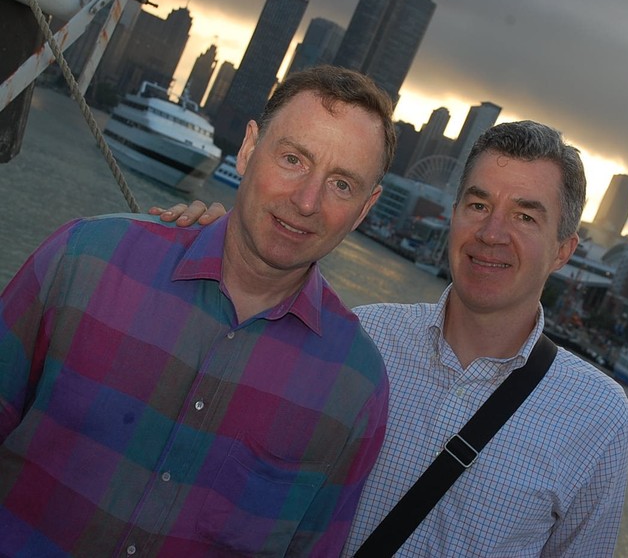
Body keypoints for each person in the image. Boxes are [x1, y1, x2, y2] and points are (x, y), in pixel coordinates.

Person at [158, 120, 628, 556]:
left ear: (563, 251)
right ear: (454, 214)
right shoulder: (362, 338)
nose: (492, 233)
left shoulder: (599, 417)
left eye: (525, 217)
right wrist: (226, 245)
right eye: (478, 205)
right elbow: (224, 432)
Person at [0, 66, 396, 556]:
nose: (307, 201)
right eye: (293, 159)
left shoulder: (355, 388)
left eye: (341, 184)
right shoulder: (86, 259)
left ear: (365, 209)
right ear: (249, 148)